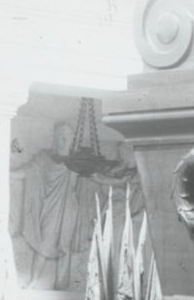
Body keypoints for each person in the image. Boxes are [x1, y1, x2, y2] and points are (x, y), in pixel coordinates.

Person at [10, 121, 139, 291]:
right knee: (45, 241)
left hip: (70, 207)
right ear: (55, 138)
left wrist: (116, 180)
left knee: (65, 245)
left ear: (72, 139)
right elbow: (28, 170)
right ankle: (34, 280)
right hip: (49, 206)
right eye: (61, 136)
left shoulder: (76, 161)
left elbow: (96, 176)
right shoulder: (44, 157)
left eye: (67, 137)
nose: (64, 140)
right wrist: (7, 174)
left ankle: (61, 285)